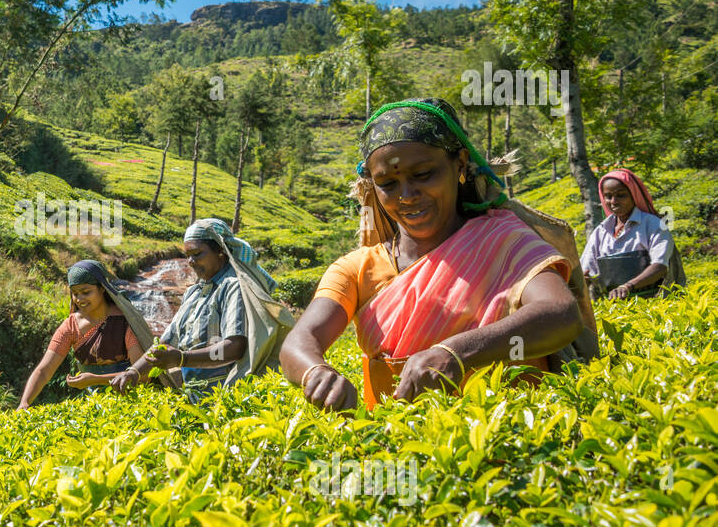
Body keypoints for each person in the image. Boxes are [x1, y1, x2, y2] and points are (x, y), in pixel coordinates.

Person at [280, 98, 597, 412]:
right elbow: (299, 342)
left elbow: (561, 313)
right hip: (405, 450)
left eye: (423, 174)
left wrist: (458, 353)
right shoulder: (357, 269)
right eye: (388, 183)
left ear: (459, 163)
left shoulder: (504, 239)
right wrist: (316, 372)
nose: (407, 195)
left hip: (514, 444)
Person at [113, 218, 292, 398]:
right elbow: (166, 344)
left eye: (197, 254)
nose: (190, 261)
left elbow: (235, 347)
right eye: (187, 255)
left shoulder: (232, 286)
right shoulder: (193, 292)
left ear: (221, 251)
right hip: (194, 392)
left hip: (225, 392)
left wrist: (183, 358)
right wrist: (133, 372)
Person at [17, 260, 170, 409]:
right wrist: (25, 402)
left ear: (102, 288)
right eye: (75, 293)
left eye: (86, 292)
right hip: (93, 403)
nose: (79, 299)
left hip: (131, 400)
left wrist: (95, 379)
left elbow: (143, 376)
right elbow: (44, 371)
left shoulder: (124, 322)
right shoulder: (71, 326)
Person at [580, 168, 686, 299]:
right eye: (608, 196)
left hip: (651, 302)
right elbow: (587, 269)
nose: (613, 201)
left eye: (621, 195)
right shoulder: (601, 232)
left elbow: (660, 266)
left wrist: (628, 286)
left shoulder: (654, 225)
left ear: (633, 195)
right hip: (611, 306)